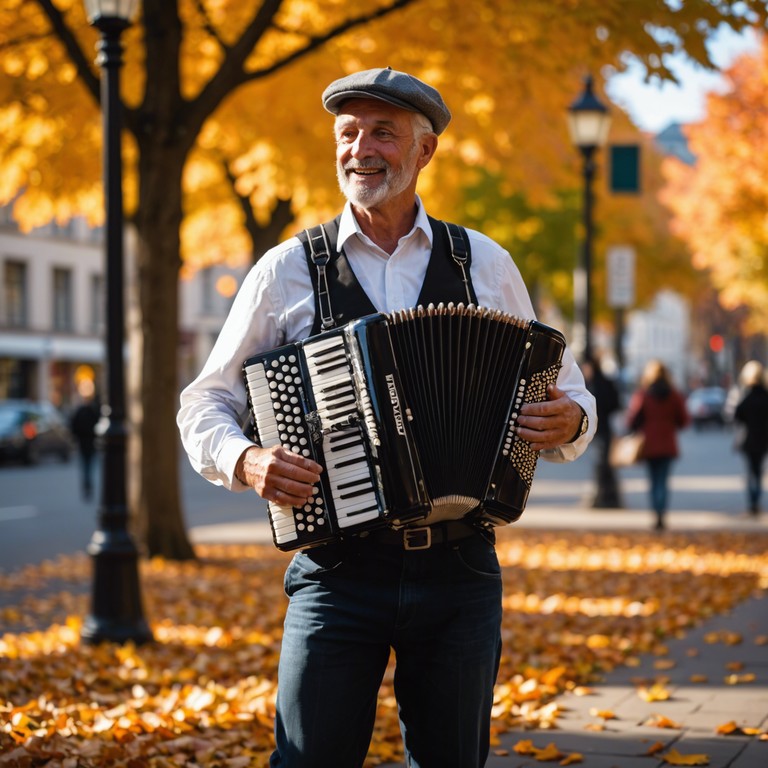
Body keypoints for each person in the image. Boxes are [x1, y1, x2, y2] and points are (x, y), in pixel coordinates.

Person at [177, 67, 596, 768]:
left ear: (424, 150)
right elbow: (204, 400)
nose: (361, 149)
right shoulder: (285, 269)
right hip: (337, 571)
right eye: (348, 133)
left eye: (383, 133)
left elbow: (569, 393)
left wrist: (570, 423)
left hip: (460, 566)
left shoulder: (485, 263)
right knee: (309, 759)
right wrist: (245, 460)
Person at [625, 360, 690, 530]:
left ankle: (656, 512)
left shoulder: (644, 394)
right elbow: (683, 420)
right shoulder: (674, 394)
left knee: (653, 481)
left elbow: (632, 419)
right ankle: (661, 513)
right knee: (663, 480)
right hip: (668, 443)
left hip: (649, 444)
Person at [582, 354, 622, 507]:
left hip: (600, 429)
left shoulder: (593, 385)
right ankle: (607, 497)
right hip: (604, 428)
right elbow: (615, 404)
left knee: (602, 464)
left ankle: (603, 498)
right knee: (603, 464)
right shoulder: (603, 382)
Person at [733, 360, 768, 516]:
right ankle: (756, 500)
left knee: (751, 471)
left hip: (749, 438)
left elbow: (737, 415)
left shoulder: (746, 395)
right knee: (758, 470)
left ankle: (752, 502)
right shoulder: (765, 395)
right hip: (763, 438)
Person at [69, 378, 100, 500]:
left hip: (85, 443)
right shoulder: (91, 410)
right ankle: (88, 486)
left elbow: (74, 427)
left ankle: (87, 486)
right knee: (88, 467)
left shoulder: (82, 411)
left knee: (86, 467)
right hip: (89, 443)